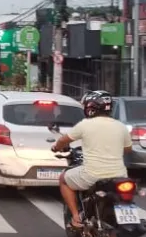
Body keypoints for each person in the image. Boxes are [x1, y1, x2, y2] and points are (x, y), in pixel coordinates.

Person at [51, 91, 132, 228]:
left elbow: (64, 140)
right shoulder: (120, 126)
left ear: (90, 107)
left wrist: (56, 147)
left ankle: (76, 218)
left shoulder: (85, 125)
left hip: (93, 175)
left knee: (63, 179)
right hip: (120, 176)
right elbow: (128, 149)